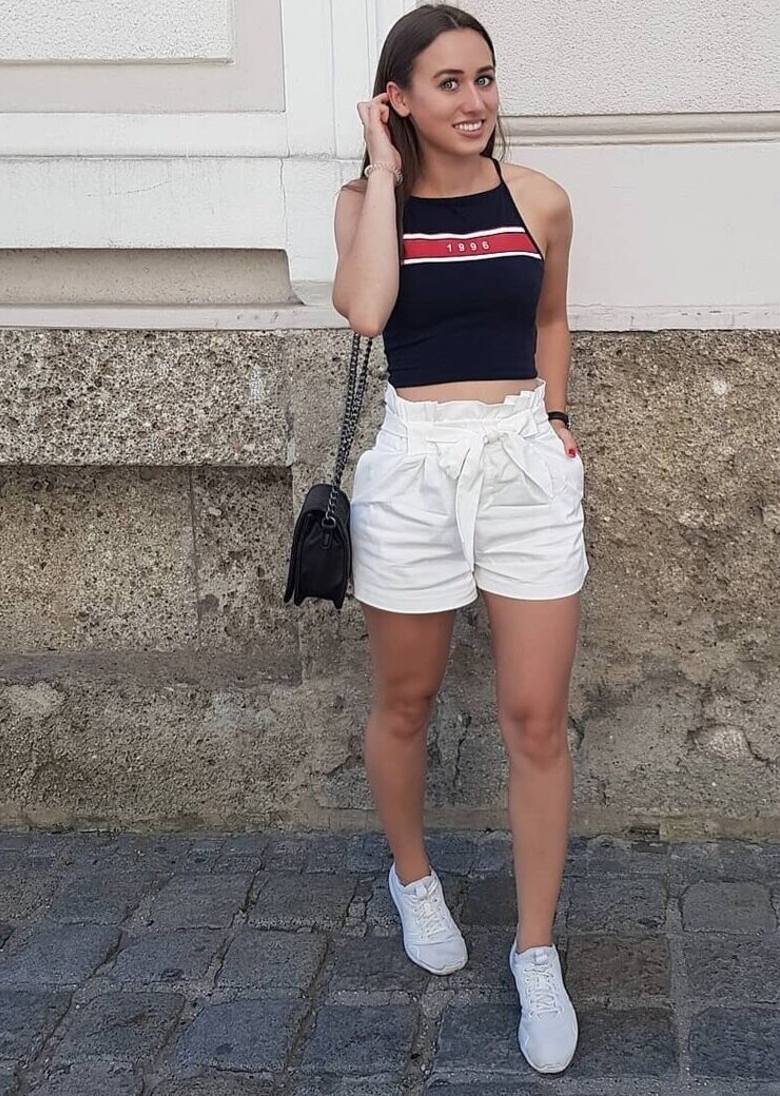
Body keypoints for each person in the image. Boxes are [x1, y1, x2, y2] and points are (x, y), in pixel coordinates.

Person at [331, 2, 587, 1075]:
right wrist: (382, 169)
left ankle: (536, 951)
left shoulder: (539, 198)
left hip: (524, 462)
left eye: (484, 77)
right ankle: (414, 879)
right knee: (407, 700)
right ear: (398, 98)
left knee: (536, 719)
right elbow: (365, 311)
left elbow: (550, 320)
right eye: (448, 82)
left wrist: (558, 418)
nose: (475, 100)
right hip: (415, 466)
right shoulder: (365, 204)